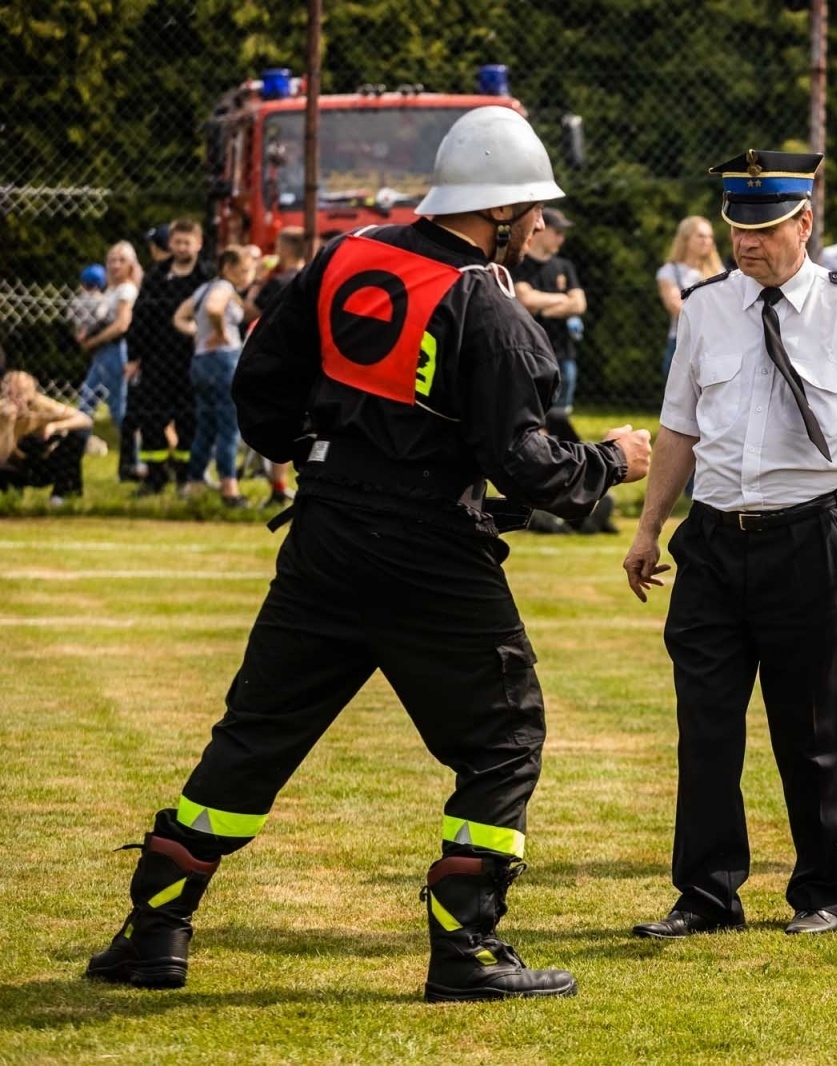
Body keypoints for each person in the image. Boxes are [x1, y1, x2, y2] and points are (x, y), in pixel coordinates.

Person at [83, 106, 652, 1003]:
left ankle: (154, 931)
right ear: (496, 212)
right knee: (504, 740)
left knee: (256, 736)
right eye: (533, 208)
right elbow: (528, 464)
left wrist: (325, 453)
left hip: (325, 538)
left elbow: (261, 393)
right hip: (433, 554)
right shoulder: (490, 309)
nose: (541, 225)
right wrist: (613, 461)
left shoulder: (347, 255)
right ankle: (465, 949)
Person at [623, 150, 837, 940]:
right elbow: (678, 428)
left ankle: (822, 891)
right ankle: (705, 893)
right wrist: (650, 525)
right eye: (737, 229)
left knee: (817, 732)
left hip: (808, 538)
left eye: (763, 229)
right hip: (714, 543)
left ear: (804, 223)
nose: (747, 244)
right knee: (706, 728)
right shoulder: (704, 309)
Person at [125, 218, 210, 494]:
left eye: (187, 242)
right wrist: (134, 356)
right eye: (177, 242)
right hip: (156, 359)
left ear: (198, 244)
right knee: (151, 418)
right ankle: (155, 476)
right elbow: (139, 318)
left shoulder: (206, 278)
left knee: (189, 419)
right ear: (170, 243)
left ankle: (185, 475)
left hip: (193, 359)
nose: (182, 247)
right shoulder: (155, 277)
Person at [173, 245, 256, 506]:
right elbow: (213, 309)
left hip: (200, 361)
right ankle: (229, 488)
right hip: (223, 360)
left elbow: (179, 316)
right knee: (228, 428)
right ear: (228, 269)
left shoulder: (202, 289)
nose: (246, 276)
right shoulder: (224, 289)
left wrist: (197, 334)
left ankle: (194, 483)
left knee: (206, 427)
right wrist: (220, 334)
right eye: (243, 271)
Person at [243, 226, 308, 507]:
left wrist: (256, 282)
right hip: (308, 358)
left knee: (279, 419)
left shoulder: (277, 281)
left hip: (278, 356)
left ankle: (278, 487)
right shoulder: (312, 277)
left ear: (285, 249)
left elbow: (251, 311)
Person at [511, 206, 585, 427]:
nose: (562, 238)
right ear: (541, 230)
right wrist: (563, 300)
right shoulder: (520, 263)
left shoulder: (564, 266)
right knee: (532, 416)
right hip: (530, 351)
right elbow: (525, 299)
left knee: (559, 418)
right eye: (558, 232)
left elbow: (580, 303)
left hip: (563, 352)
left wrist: (543, 307)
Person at [73, 246, 141, 478]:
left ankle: (135, 462)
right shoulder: (109, 290)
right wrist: (84, 333)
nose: (115, 264)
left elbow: (122, 325)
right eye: (111, 259)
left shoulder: (127, 290)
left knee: (119, 411)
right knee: (85, 404)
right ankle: (72, 459)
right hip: (102, 353)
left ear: (131, 264)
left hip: (116, 351)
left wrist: (92, 341)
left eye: (121, 260)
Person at [0, 370, 93, 503]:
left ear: (31, 394)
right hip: (16, 462)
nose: (14, 399)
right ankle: (12, 499)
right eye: (9, 393)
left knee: (78, 436)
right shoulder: (2, 412)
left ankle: (61, 495)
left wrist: (55, 426)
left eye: (19, 394)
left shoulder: (41, 405)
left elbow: (85, 420)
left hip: (43, 462)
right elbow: (2, 456)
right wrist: (8, 423)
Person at [655, 215, 724, 377]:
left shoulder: (719, 271)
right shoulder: (670, 271)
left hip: (715, 343)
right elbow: (677, 308)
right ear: (685, 239)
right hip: (682, 343)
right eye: (700, 236)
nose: (706, 241)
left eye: (710, 237)